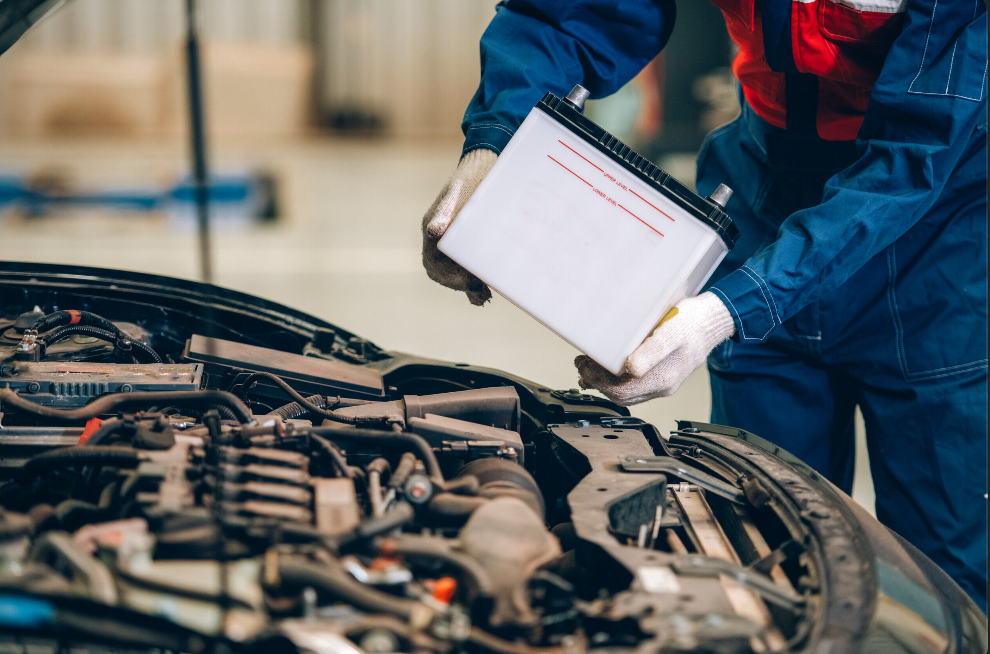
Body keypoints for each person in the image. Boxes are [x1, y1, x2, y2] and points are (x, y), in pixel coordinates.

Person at [420, 0, 988, 611]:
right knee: (761, 556)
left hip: (932, 243)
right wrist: (494, 145)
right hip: (765, 190)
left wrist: (723, 311)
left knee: (941, 582)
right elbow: (570, 14)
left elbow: (914, 156)